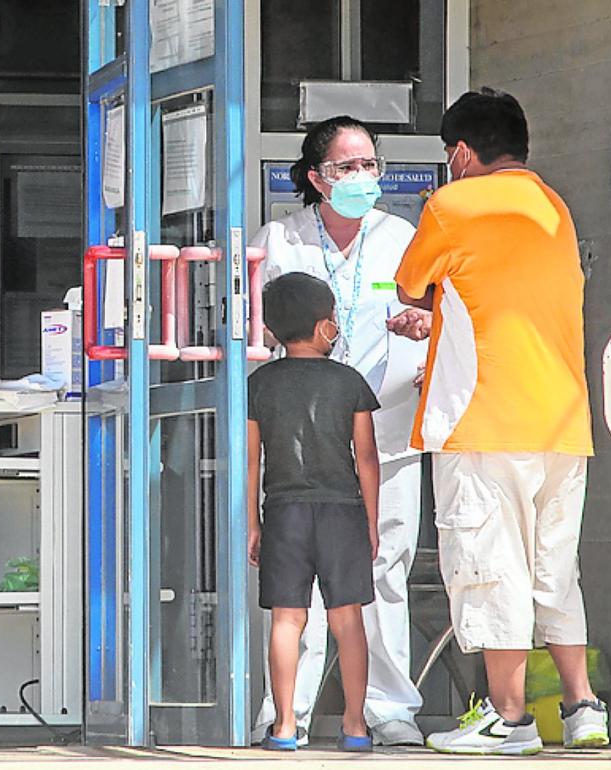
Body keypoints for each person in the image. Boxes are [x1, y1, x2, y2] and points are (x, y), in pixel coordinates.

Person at [390, 88, 608, 755]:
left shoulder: (452, 203)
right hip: (563, 424)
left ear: (461, 152)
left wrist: (430, 312)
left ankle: (508, 721)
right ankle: (582, 708)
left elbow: (408, 284)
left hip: (484, 421)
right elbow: (493, 296)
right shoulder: (552, 207)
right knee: (555, 569)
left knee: (490, 568)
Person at [250, 116, 431, 748]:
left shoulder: (404, 236)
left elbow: (437, 313)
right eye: (346, 167)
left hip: (386, 426)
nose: (362, 178)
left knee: (382, 569)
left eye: (369, 165)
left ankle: (387, 709)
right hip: (304, 441)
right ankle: (286, 711)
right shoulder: (283, 238)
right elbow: (259, 329)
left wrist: (420, 323)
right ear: (315, 178)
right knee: (293, 583)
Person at [248, 273, 381, 753]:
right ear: (325, 326)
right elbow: (366, 458)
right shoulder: (349, 382)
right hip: (342, 511)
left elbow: (250, 458)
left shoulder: (260, 383)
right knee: (348, 620)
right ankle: (355, 725)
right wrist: (370, 519)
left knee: (287, 620)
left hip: (284, 510)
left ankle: (284, 725)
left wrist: (252, 524)